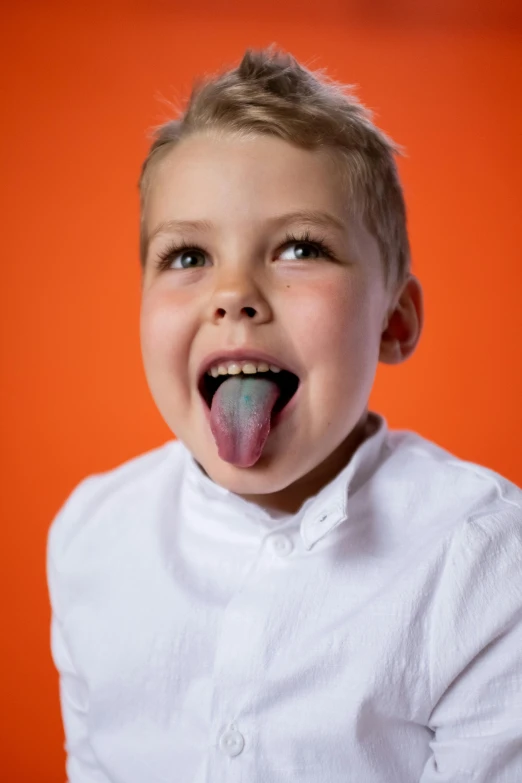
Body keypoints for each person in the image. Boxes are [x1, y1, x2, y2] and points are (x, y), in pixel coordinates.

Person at [47, 45, 522, 782]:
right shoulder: (90, 539)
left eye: (300, 247)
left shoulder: (484, 562)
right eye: (187, 256)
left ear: (393, 321)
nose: (234, 293)